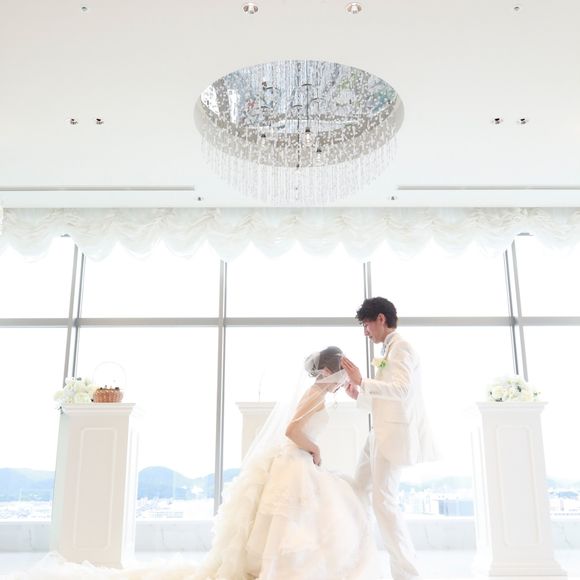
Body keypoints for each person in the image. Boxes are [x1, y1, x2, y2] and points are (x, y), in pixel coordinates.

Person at [195, 345, 378, 580]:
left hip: (299, 459)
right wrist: (315, 449)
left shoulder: (316, 393)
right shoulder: (315, 395)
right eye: (340, 375)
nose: (342, 382)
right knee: (300, 516)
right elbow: (292, 430)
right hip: (297, 460)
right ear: (325, 372)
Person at [342, 297, 438, 580]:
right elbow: (386, 399)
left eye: (366, 324)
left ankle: (407, 573)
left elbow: (402, 390)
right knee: (358, 491)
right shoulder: (389, 348)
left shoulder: (402, 347)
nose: (365, 331)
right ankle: (355, 558)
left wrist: (362, 381)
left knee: (384, 503)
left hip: (393, 436)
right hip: (379, 433)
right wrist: (359, 394)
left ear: (381, 319)